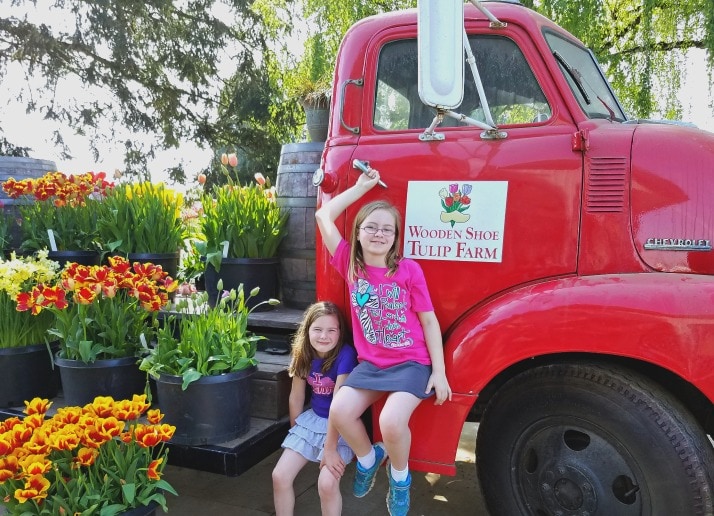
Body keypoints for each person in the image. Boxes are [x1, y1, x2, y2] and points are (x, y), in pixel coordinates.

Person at [315, 167, 452, 516]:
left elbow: (429, 321)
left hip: (411, 364)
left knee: (390, 422)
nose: (379, 233)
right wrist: (362, 188)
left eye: (387, 229)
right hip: (372, 365)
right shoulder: (350, 265)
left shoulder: (408, 270)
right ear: (358, 233)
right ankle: (368, 457)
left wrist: (439, 372)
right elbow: (323, 214)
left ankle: (400, 478)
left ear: (396, 238)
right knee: (341, 411)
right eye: (370, 227)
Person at [272, 301, 358, 516]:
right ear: (307, 330)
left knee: (327, 484)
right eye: (317, 329)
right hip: (312, 420)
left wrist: (329, 450)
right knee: (279, 476)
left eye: (331, 330)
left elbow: (339, 407)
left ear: (340, 332)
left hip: (339, 425)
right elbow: (297, 395)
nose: (324, 336)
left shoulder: (345, 355)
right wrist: (296, 431)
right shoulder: (303, 352)